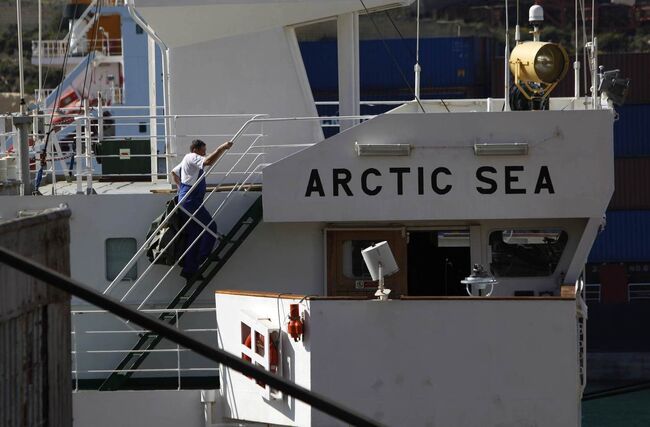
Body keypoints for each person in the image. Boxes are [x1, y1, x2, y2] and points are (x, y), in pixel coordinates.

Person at [171, 139, 233, 280]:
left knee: (195, 234)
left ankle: (189, 269)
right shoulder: (191, 157)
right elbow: (208, 162)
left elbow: (173, 172)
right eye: (203, 150)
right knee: (211, 227)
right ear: (195, 150)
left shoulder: (188, 160)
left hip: (190, 201)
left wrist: (180, 188)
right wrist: (221, 147)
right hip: (191, 201)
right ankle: (203, 257)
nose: (204, 153)